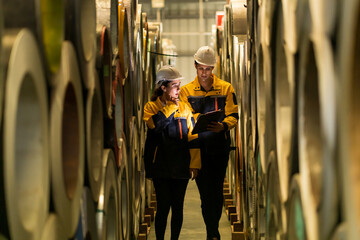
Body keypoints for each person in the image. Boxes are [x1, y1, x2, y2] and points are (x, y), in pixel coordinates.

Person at [179, 46, 239, 240]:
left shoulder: (226, 87)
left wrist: (223, 126)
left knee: (217, 191)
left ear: (213, 68)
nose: (204, 73)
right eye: (201, 69)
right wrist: (197, 120)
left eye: (208, 69)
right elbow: (184, 118)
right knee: (205, 195)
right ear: (195, 66)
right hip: (199, 149)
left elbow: (234, 115)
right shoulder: (186, 91)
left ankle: (212, 233)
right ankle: (212, 232)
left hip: (219, 148)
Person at [143, 65, 201, 240]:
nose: (179, 89)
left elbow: (193, 136)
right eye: (175, 86)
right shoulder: (151, 107)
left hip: (181, 165)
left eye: (179, 85)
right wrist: (169, 108)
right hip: (161, 166)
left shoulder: (184, 107)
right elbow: (154, 126)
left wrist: (195, 164)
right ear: (163, 87)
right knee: (163, 207)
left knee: (178, 207)